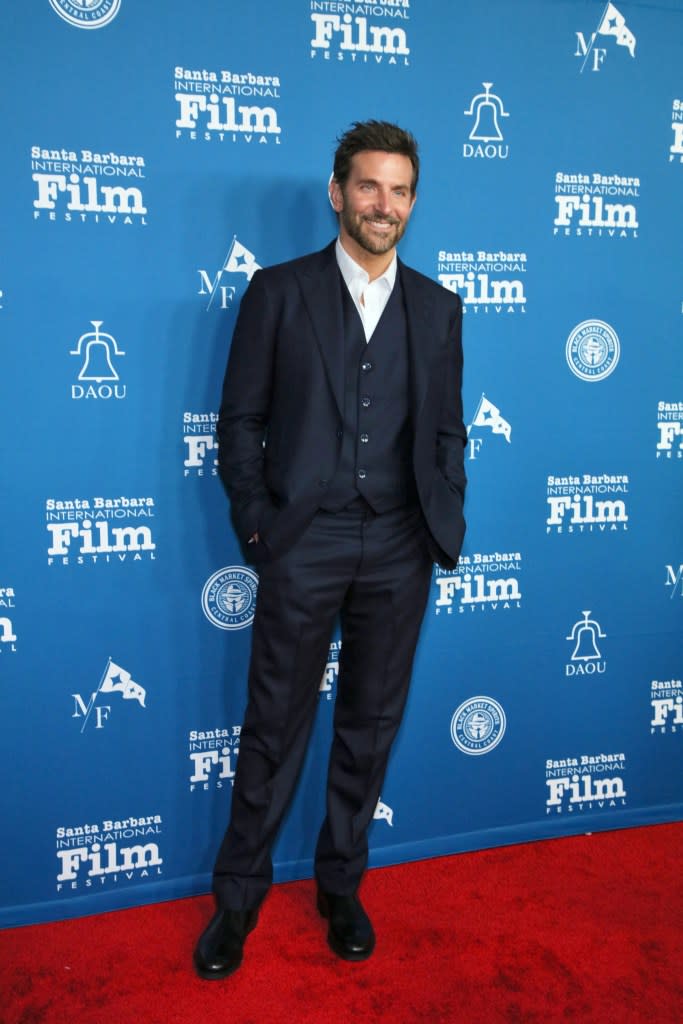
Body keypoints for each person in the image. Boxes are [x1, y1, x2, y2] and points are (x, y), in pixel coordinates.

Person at [194, 120, 466, 980]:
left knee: (369, 727)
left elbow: (447, 432)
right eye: (368, 187)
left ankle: (339, 886)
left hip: (397, 545)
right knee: (274, 726)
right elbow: (237, 425)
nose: (383, 205)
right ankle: (236, 900)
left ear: (412, 202)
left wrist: (437, 518)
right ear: (336, 191)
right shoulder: (278, 294)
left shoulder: (438, 307)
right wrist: (259, 527)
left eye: (399, 191)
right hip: (301, 543)